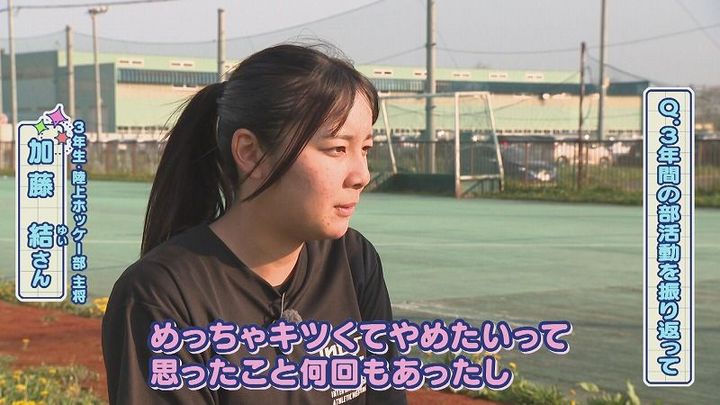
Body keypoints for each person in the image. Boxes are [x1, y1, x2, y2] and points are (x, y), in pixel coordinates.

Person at [101, 43, 407, 404]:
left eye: (365, 149)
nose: (361, 175)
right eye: (337, 148)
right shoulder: (161, 297)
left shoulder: (353, 261)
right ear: (250, 152)